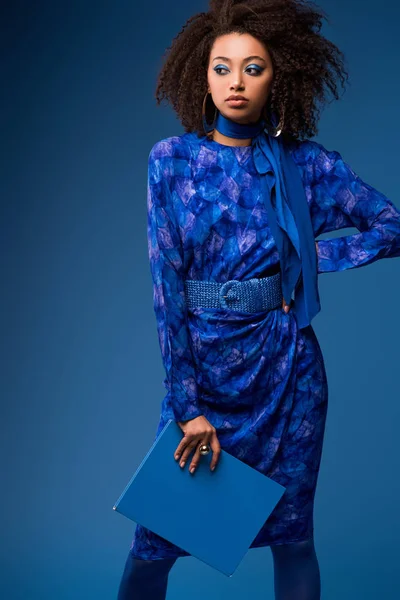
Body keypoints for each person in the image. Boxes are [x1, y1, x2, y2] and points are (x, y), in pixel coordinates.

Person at [116, 0, 400, 598]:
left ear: (281, 76)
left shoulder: (307, 165)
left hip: (287, 376)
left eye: (254, 68)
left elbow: (389, 225)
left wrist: (307, 262)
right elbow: (167, 294)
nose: (236, 83)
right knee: (154, 548)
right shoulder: (174, 162)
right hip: (206, 381)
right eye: (223, 68)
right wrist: (187, 406)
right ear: (202, 75)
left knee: (294, 539)